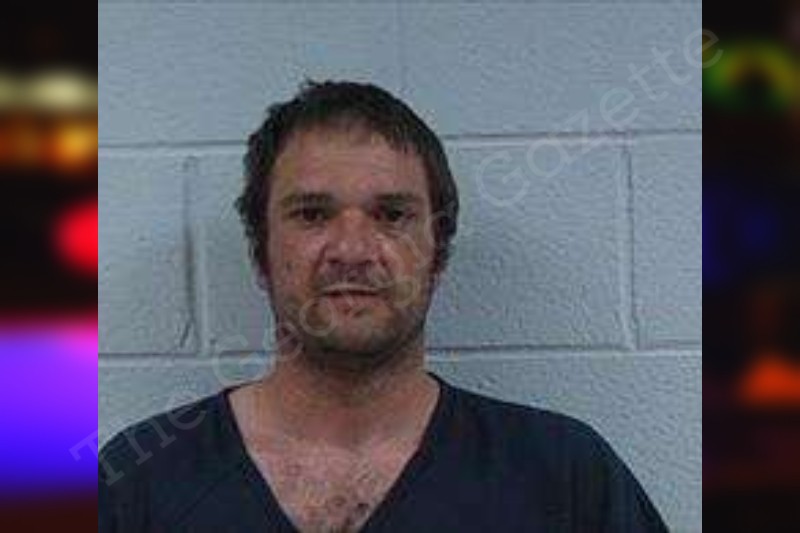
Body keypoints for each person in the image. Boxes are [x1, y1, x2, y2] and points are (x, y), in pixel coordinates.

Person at [99, 80, 668, 532]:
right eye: (312, 214)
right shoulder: (140, 480)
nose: (352, 250)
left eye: (392, 215)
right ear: (260, 252)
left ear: (438, 253)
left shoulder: (564, 475)